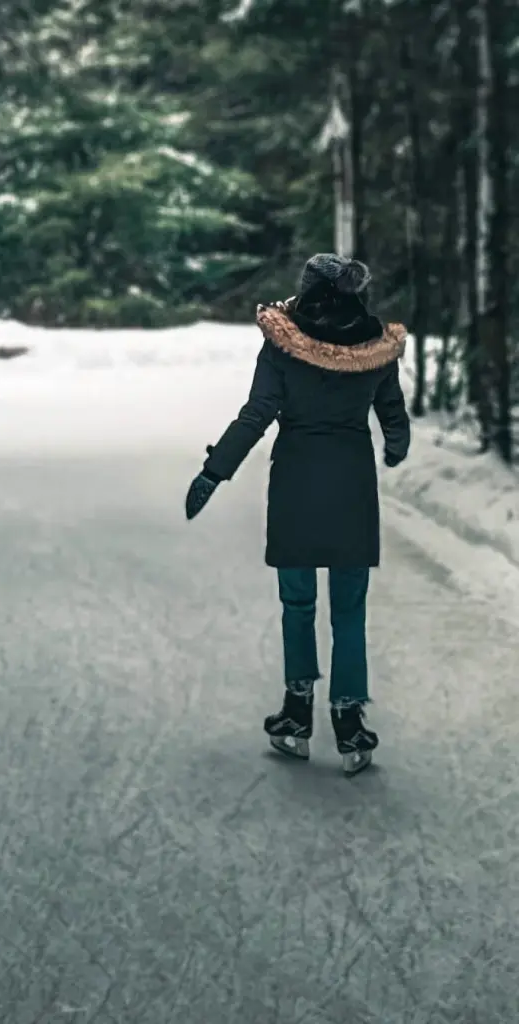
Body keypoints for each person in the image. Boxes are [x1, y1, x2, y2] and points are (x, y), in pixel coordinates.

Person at [184, 253, 410, 775]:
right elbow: (392, 411)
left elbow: (256, 414)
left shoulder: (282, 345)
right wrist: (395, 444)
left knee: (298, 603)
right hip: (352, 484)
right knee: (349, 609)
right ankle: (350, 721)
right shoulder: (377, 348)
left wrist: (214, 472)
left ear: (308, 290)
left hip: (296, 483)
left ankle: (296, 713)